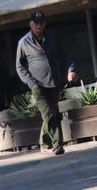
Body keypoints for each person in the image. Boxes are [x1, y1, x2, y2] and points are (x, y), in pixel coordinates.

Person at [15, 11, 77, 155]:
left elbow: (65, 55)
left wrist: (71, 69)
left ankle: (44, 143)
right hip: (38, 86)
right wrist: (31, 83)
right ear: (30, 24)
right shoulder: (24, 42)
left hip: (54, 82)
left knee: (52, 114)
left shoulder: (53, 37)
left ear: (45, 23)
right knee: (49, 114)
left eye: (41, 22)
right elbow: (19, 66)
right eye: (36, 23)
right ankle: (58, 145)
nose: (39, 25)